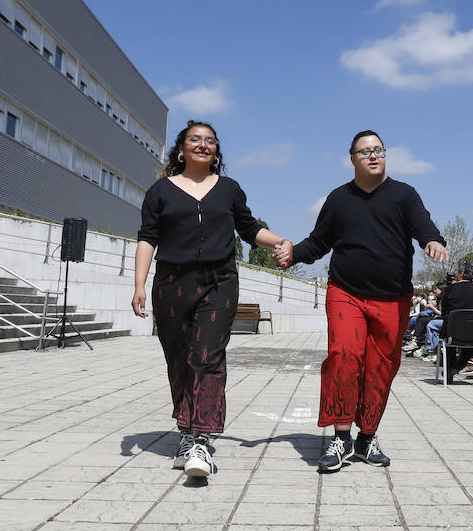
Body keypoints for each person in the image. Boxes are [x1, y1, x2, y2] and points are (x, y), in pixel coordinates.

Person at [274, 130, 448, 473]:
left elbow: (423, 225)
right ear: (352, 158)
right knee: (344, 357)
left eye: (379, 150)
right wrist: (293, 254)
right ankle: (341, 437)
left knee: (381, 368)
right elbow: (318, 242)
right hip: (346, 293)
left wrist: (433, 240)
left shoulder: (404, 195)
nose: (373, 155)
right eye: (365, 151)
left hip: (393, 298)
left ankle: (367, 437)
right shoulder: (339, 199)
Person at [132, 121, 291, 479]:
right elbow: (147, 238)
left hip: (219, 281)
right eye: (195, 140)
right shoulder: (160, 191)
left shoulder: (229, 189)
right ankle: (187, 430)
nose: (203, 145)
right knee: (179, 359)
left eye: (210, 141)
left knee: (207, 356)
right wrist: (139, 284)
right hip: (171, 283)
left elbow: (249, 229)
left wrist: (282, 241)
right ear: (181, 149)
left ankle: (200, 439)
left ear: (216, 150)